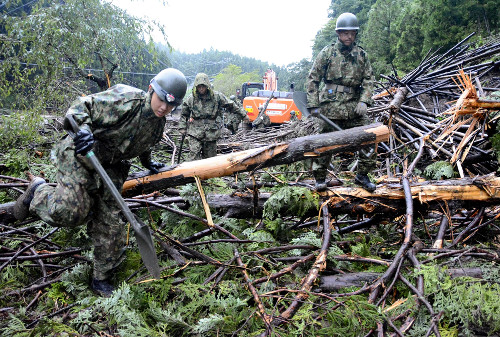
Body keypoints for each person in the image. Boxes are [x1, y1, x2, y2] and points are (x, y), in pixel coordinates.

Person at [13, 68, 188, 296]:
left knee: (110, 221)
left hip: (112, 166)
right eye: (161, 98)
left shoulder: (158, 124)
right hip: (82, 153)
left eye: (170, 104)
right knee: (71, 211)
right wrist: (84, 130)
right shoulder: (125, 99)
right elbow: (80, 105)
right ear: (151, 89)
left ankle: (101, 277)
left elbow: (145, 143)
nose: (164, 107)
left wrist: (148, 162)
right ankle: (38, 191)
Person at [306, 12, 376, 192]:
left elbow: (369, 80)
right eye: (345, 33)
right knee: (324, 143)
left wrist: (364, 101)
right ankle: (320, 178)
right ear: (338, 33)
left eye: (352, 33)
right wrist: (314, 104)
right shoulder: (327, 53)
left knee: (368, 137)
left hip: (354, 107)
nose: (349, 36)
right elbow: (313, 79)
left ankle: (362, 175)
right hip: (330, 107)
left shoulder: (362, 55)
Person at [179, 73, 246, 160]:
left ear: (207, 86)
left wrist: (243, 115)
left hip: (211, 132)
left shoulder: (217, 97)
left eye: (203, 86)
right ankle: (192, 173)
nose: (201, 88)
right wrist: (182, 127)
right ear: (196, 87)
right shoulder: (191, 99)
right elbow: (184, 114)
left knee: (210, 158)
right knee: (193, 156)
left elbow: (231, 105)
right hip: (195, 132)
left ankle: (207, 173)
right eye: (199, 86)